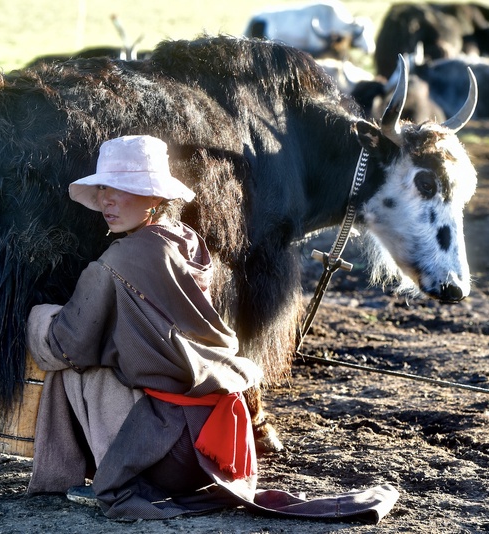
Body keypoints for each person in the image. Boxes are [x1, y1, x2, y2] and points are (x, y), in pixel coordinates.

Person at [25, 135, 398, 522]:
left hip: (165, 453)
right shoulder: (188, 242)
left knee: (74, 368)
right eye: (103, 188)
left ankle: (103, 472)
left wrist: (39, 316)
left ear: (154, 197)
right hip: (216, 449)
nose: (106, 201)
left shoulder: (112, 266)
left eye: (121, 189)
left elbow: (67, 345)